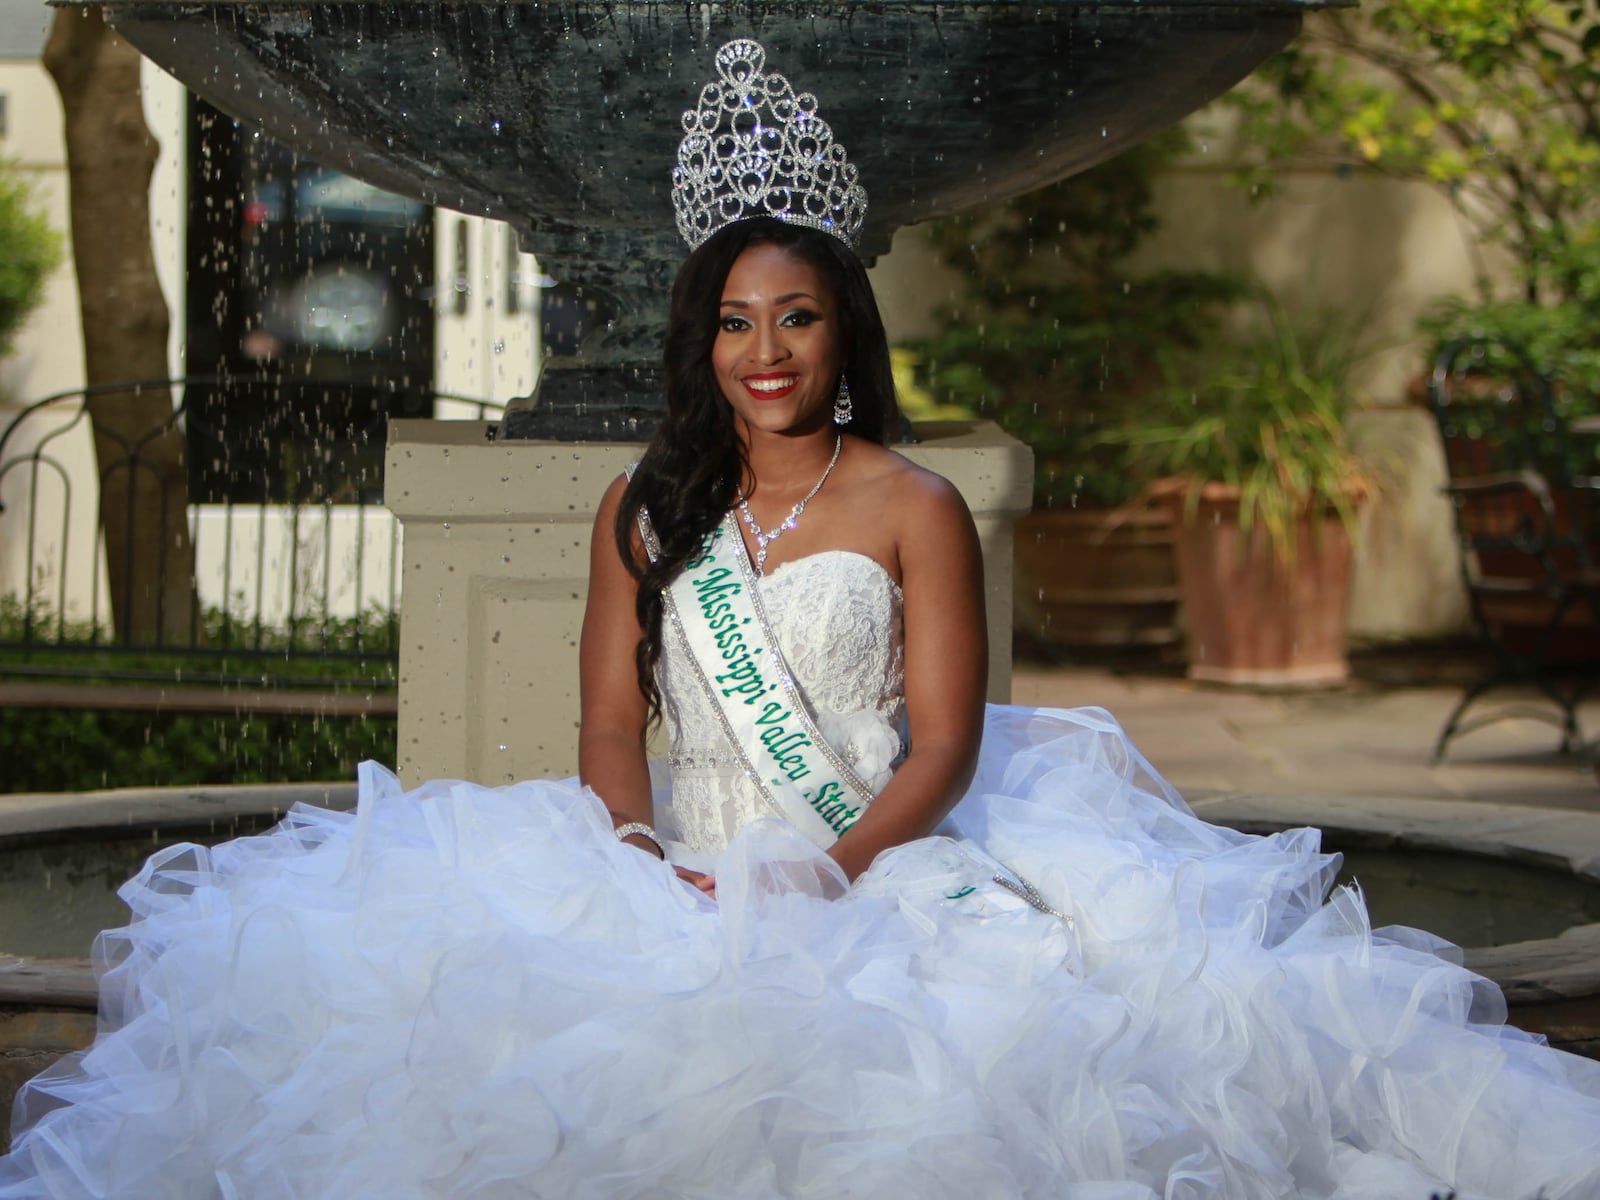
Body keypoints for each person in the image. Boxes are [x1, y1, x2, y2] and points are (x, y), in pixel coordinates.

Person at [4, 36, 1600, 1200]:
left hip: (872, 865)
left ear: (845, 332)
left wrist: (824, 880)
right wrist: (638, 868)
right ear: (702, 342)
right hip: (669, 866)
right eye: (736, 324)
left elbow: (952, 747)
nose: (766, 352)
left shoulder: (912, 508)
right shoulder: (643, 510)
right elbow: (610, 732)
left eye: (799, 318)